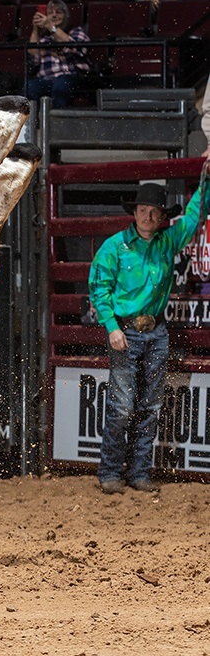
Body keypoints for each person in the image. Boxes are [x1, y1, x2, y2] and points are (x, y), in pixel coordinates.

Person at [89, 173, 209, 494]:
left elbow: (196, 215)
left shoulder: (167, 242)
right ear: (135, 212)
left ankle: (138, 473)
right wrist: (112, 327)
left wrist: (205, 182)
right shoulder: (113, 247)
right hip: (125, 332)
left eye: (155, 212)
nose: (149, 216)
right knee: (123, 404)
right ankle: (111, 471)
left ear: (163, 217)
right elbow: (99, 290)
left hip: (155, 331)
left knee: (150, 404)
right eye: (144, 210)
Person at [26, 0, 90, 108]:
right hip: (46, 80)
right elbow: (33, 59)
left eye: (58, 12)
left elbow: (79, 49)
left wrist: (51, 27)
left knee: (60, 85)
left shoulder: (76, 32)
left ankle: (57, 121)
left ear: (66, 15)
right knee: (30, 86)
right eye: (50, 13)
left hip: (69, 77)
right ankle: (34, 122)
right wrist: (36, 29)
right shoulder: (44, 39)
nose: (54, 15)